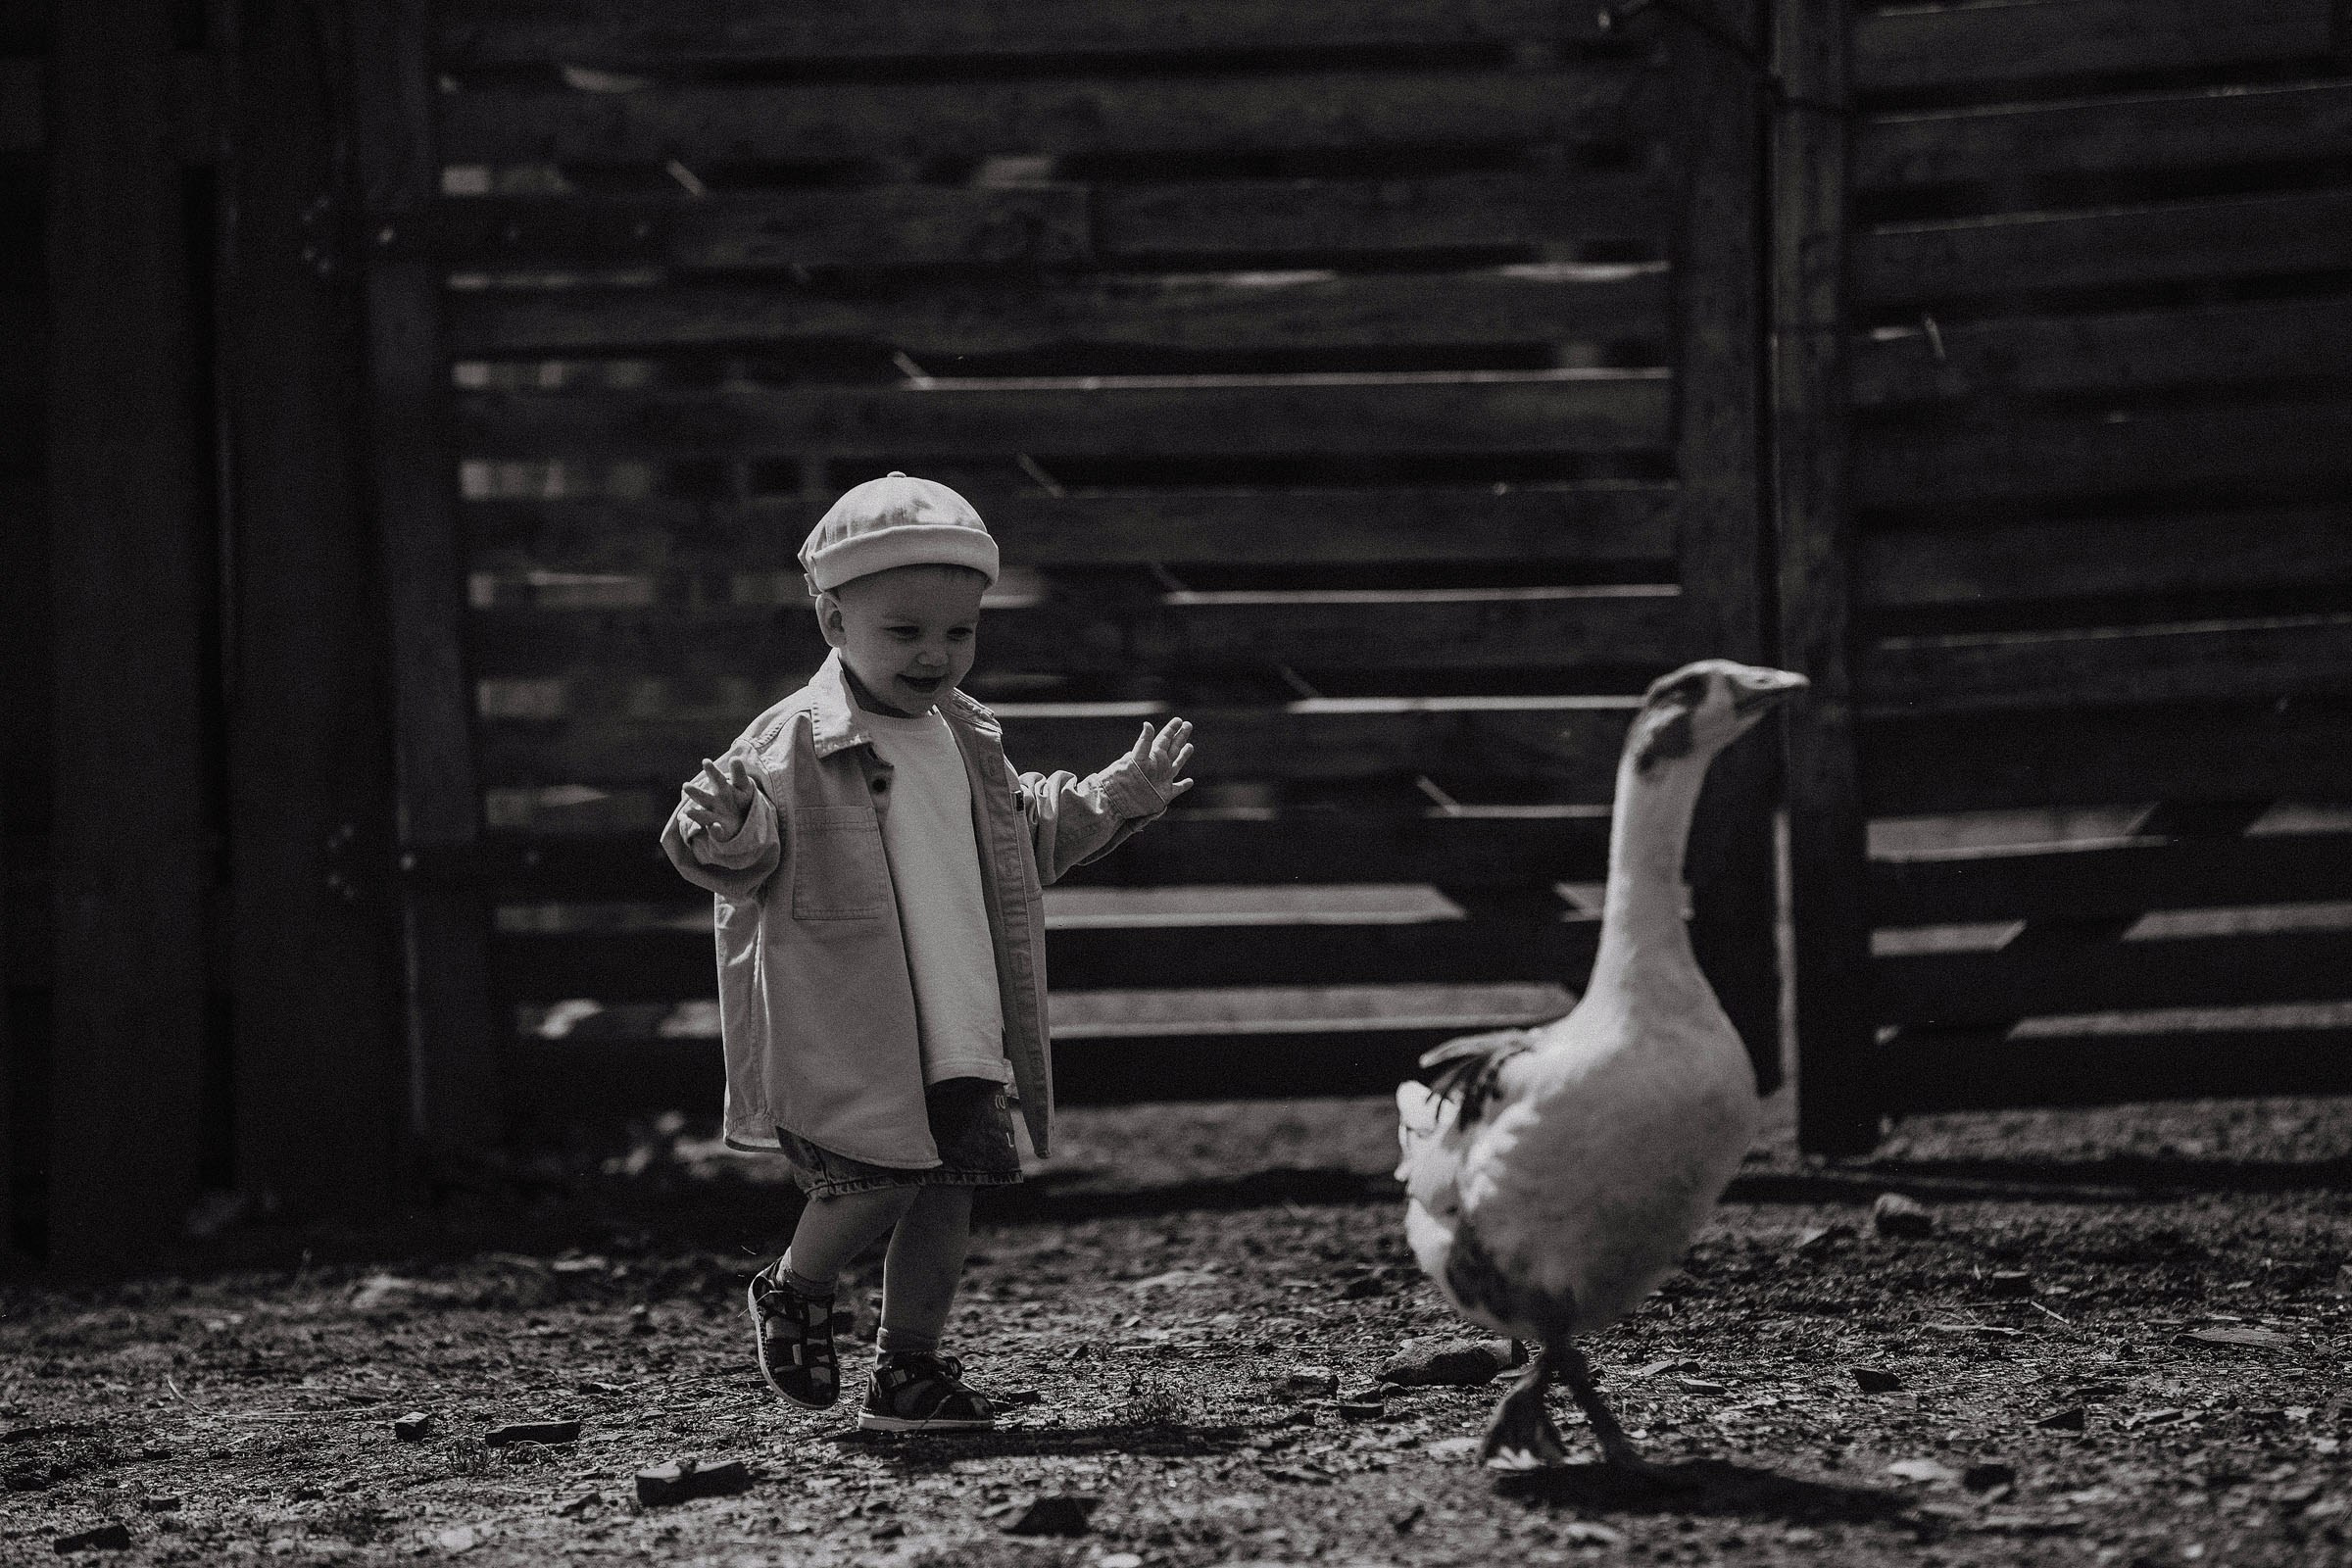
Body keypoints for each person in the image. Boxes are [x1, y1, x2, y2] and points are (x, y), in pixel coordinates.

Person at [661, 471, 1195, 1433]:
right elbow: (736, 852)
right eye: (905, 633)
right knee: (882, 1173)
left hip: (959, 1013)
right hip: (852, 1019)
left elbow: (1021, 831)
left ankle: (908, 1370)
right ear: (832, 619)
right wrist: (723, 821)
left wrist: (1113, 796)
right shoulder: (791, 739)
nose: (936, 654)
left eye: (959, 632)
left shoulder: (964, 733)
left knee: (950, 1194)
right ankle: (795, 1284)